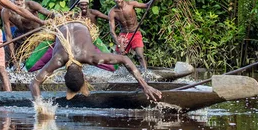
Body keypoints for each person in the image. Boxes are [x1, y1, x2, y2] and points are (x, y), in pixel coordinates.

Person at [29, 21, 161, 102]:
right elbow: (125, 59)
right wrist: (144, 85)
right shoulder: (92, 57)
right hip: (60, 27)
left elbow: (34, 83)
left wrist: (40, 105)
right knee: (30, 65)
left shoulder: (58, 60)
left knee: (113, 67)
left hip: (82, 25)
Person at [2, 0, 56, 70]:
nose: (19, 3)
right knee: (6, 55)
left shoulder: (31, 5)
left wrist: (58, 17)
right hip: (20, 35)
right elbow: (8, 36)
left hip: (36, 35)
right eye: (16, 0)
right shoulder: (6, 12)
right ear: (10, 0)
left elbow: (48, 13)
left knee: (35, 61)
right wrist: (14, 59)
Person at [107, 0, 159, 70]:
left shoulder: (131, 4)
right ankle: (120, 74)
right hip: (124, 35)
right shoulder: (112, 12)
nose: (119, 0)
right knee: (119, 58)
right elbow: (112, 31)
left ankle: (145, 74)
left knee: (140, 55)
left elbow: (147, 5)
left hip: (135, 33)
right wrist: (119, 45)